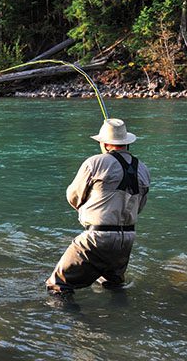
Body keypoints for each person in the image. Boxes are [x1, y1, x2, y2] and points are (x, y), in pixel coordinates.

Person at [46, 118, 150, 296]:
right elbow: (139, 207)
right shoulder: (143, 169)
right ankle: (121, 316)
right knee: (112, 284)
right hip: (127, 239)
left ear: (104, 143)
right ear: (126, 143)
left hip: (97, 238)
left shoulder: (94, 163)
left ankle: (73, 323)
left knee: (58, 285)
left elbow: (73, 196)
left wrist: (87, 210)